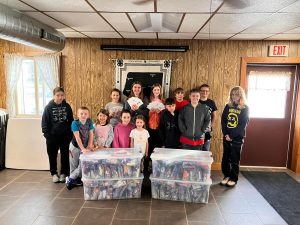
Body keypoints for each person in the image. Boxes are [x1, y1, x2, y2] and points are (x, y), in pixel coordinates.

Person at [42, 87, 73, 183]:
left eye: (62, 95)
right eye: (58, 95)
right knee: (52, 155)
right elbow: (44, 123)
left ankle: (64, 173)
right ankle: (54, 173)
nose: (60, 97)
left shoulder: (67, 106)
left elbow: (71, 121)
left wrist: (69, 134)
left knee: (64, 156)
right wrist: (48, 135)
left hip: (64, 136)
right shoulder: (48, 107)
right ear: (54, 96)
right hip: (52, 137)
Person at [220, 86, 249, 187]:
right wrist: (226, 134)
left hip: (237, 137)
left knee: (234, 158)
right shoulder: (228, 106)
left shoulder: (245, 108)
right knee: (226, 157)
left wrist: (232, 136)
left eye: (236, 95)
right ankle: (226, 176)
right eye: (232, 95)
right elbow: (223, 121)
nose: (234, 97)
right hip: (227, 136)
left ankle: (233, 178)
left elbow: (242, 124)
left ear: (240, 96)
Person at [66, 107, 94, 190]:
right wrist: (83, 149)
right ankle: (72, 181)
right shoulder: (75, 123)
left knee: (82, 165)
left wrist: (89, 145)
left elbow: (91, 134)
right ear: (78, 115)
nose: (83, 115)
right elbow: (77, 138)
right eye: (81, 113)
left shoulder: (89, 122)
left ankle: (70, 179)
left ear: (88, 115)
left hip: (84, 147)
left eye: (85, 113)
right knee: (74, 165)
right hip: (75, 147)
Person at [199, 84, 218, 151]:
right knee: (197, 149)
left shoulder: (211, 102)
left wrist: (210, 126)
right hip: (197, 129)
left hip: (207, 130)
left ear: (209, 92)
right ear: (200, 91)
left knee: (206, 148)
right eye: (203, 90)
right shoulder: (196, 101)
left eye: (207, 91)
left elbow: (215, 116)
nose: (205, 92)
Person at [148, 83, 164, 156]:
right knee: (150, 143)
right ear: (152, 91)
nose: (156, 91)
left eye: (158, 90)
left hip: (159, 125)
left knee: (158, 144)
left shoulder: (163, 101)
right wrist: (151, 111)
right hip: (150, 125)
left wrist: (160, 112)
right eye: (155, 90)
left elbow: (164, 113)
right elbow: (146, 114)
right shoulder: (149, 100)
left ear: (160, 91)